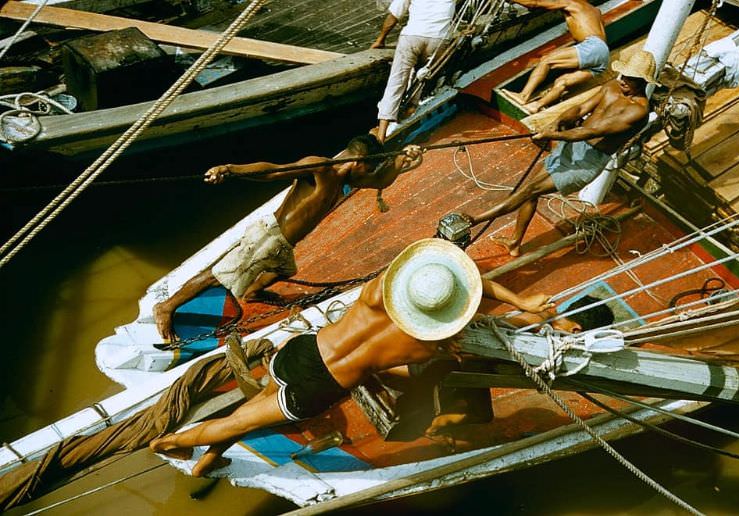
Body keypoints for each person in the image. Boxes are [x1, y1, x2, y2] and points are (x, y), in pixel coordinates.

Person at [150, 238, 570, 476]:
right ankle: (167, 444)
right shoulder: (427, 344)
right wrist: (524, 306)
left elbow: (472, 280)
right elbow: (411, 368)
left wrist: (518, 300)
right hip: (323, 385)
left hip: (303, 351)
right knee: (239, 420)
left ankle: (207, 458)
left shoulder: (376, 291)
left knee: (252, 408)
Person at [153, 134, 423, 342]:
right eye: (370, 168)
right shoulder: (320, 168)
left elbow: (380, 182)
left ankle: (254, 291)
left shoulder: (345, 179)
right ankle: (167, 307)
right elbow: (273, 170)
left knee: (284, 269)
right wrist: (230, 168)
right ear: (359, 163)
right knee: (218, 275)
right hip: (268, 237)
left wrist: (403, 160)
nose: (370, 174)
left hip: (283, 244)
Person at [465, 50, 657, 256]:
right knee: (531, 192)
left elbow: (591, 131)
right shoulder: (612, 86)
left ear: (644, 82)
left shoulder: (639, 112)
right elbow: (580, 108)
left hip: (588, 162)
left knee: (529, 190)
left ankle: (475, 220)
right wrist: (558, 121)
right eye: (624, 74)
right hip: (572, 146)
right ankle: (514, 243)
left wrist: (552, 134)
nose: (624, 80)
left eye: (631, 78)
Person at [502, 0, 608, 114]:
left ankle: (523, 96)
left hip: (592, 46)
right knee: (562, 82)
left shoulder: (571, 3)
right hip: (603, 55)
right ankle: (536, 106)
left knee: (546, 61)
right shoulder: (596, 11)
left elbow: (534, 3)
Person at [372, 0, 456, 142]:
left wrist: (380, 39)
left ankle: (381, 135)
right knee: (420, 80)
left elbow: (394, 16)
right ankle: (407, 115)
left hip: (413, 37)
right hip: (439, 40)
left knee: (396, 82)